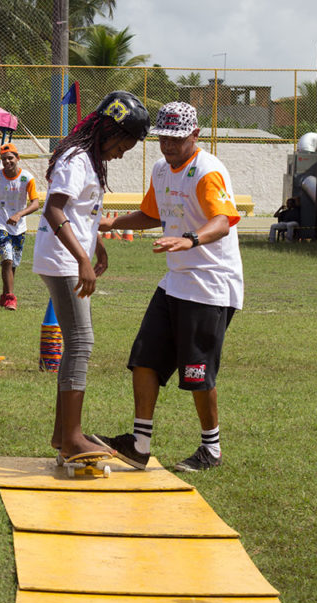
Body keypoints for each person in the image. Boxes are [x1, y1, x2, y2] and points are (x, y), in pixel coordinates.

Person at [96, 101, 243, 473]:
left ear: (195, 135)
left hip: (210, 284)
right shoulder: (162, 170)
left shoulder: (207, 171)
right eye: (163, 137)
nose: (169, 145)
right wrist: (112, 223)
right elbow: (152, 214)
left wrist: (190, 240)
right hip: (176, 282)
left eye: (177, 138)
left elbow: (223, 220)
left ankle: (211, 449)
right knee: (143, 359)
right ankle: (139, 445)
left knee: (196, 373)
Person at [33, 91, 150, 462]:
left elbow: (82, 214)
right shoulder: (76, 159)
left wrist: (96, 244)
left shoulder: (90, 160)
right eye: (122, 145)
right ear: (107, 130)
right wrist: (82, 258)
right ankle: (71, 438)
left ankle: (62, 435)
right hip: (62, 261)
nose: (121, 153)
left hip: (70, 258)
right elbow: (54, 210)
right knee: (82, 343)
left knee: (76, 343)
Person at [0, 142, 40, 310]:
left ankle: (5, 296)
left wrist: (19, 214)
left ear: (17, 158)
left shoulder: (27, 178)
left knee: (13, 264)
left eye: (10, 158)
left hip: (19, 227)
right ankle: (11, 298)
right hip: (1, 224)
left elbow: (36, 203)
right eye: (4, 159)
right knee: (7, 259)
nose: (7, 162)